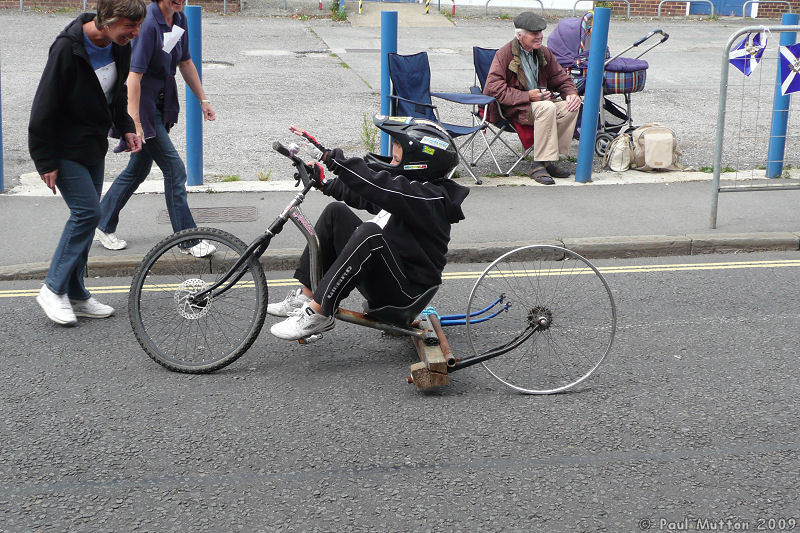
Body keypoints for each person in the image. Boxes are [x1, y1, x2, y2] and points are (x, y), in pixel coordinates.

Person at [268, 116, 470, 342]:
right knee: (336, 212)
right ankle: (306, 296)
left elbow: (378, 186)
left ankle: (320, 312)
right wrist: (326, 184)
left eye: (398, 149)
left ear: (421, 160)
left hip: (405, 296)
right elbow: (369, 197)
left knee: (370, 233)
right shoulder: (414, 190)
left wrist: (330, 158)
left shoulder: (430, 197)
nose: (392, 152)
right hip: (392, 275)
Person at [28, 0, 147, 326]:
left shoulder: (118, 46)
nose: (135, 32)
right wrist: (44, 160)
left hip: (92, 147)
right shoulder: (68, 49)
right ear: (107, 19)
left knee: (83, 219)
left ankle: (77, 294)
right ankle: (53, 289)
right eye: (129, 25)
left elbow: (117, 92)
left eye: (137, 26)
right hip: (62, 149)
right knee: (87, 214)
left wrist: (125, 126)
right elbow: (43, 106)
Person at [94, 0, 217, 258]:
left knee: (138, 169)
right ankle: (188, 239)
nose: (180, 0)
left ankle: (102, 222)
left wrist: (203, 100)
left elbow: (185, 62)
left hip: (161, 102)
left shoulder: (180, 18)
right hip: (143, 107)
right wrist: (136, 123)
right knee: (175, 170)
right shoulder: (149, 22)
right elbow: (133, 77)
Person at [483, 11, 581, 185]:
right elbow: (492, 89)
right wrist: (527, 95)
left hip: (540, 105)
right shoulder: (504, 54)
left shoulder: (543, 53)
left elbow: (561, 78)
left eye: (541, 32)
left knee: (571, 106)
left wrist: (571, 94)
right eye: (534, 34)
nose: (540, 36)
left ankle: (548, 160)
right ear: (520, 35)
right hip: (516, 108)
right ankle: (537, 165)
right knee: (547, 107)